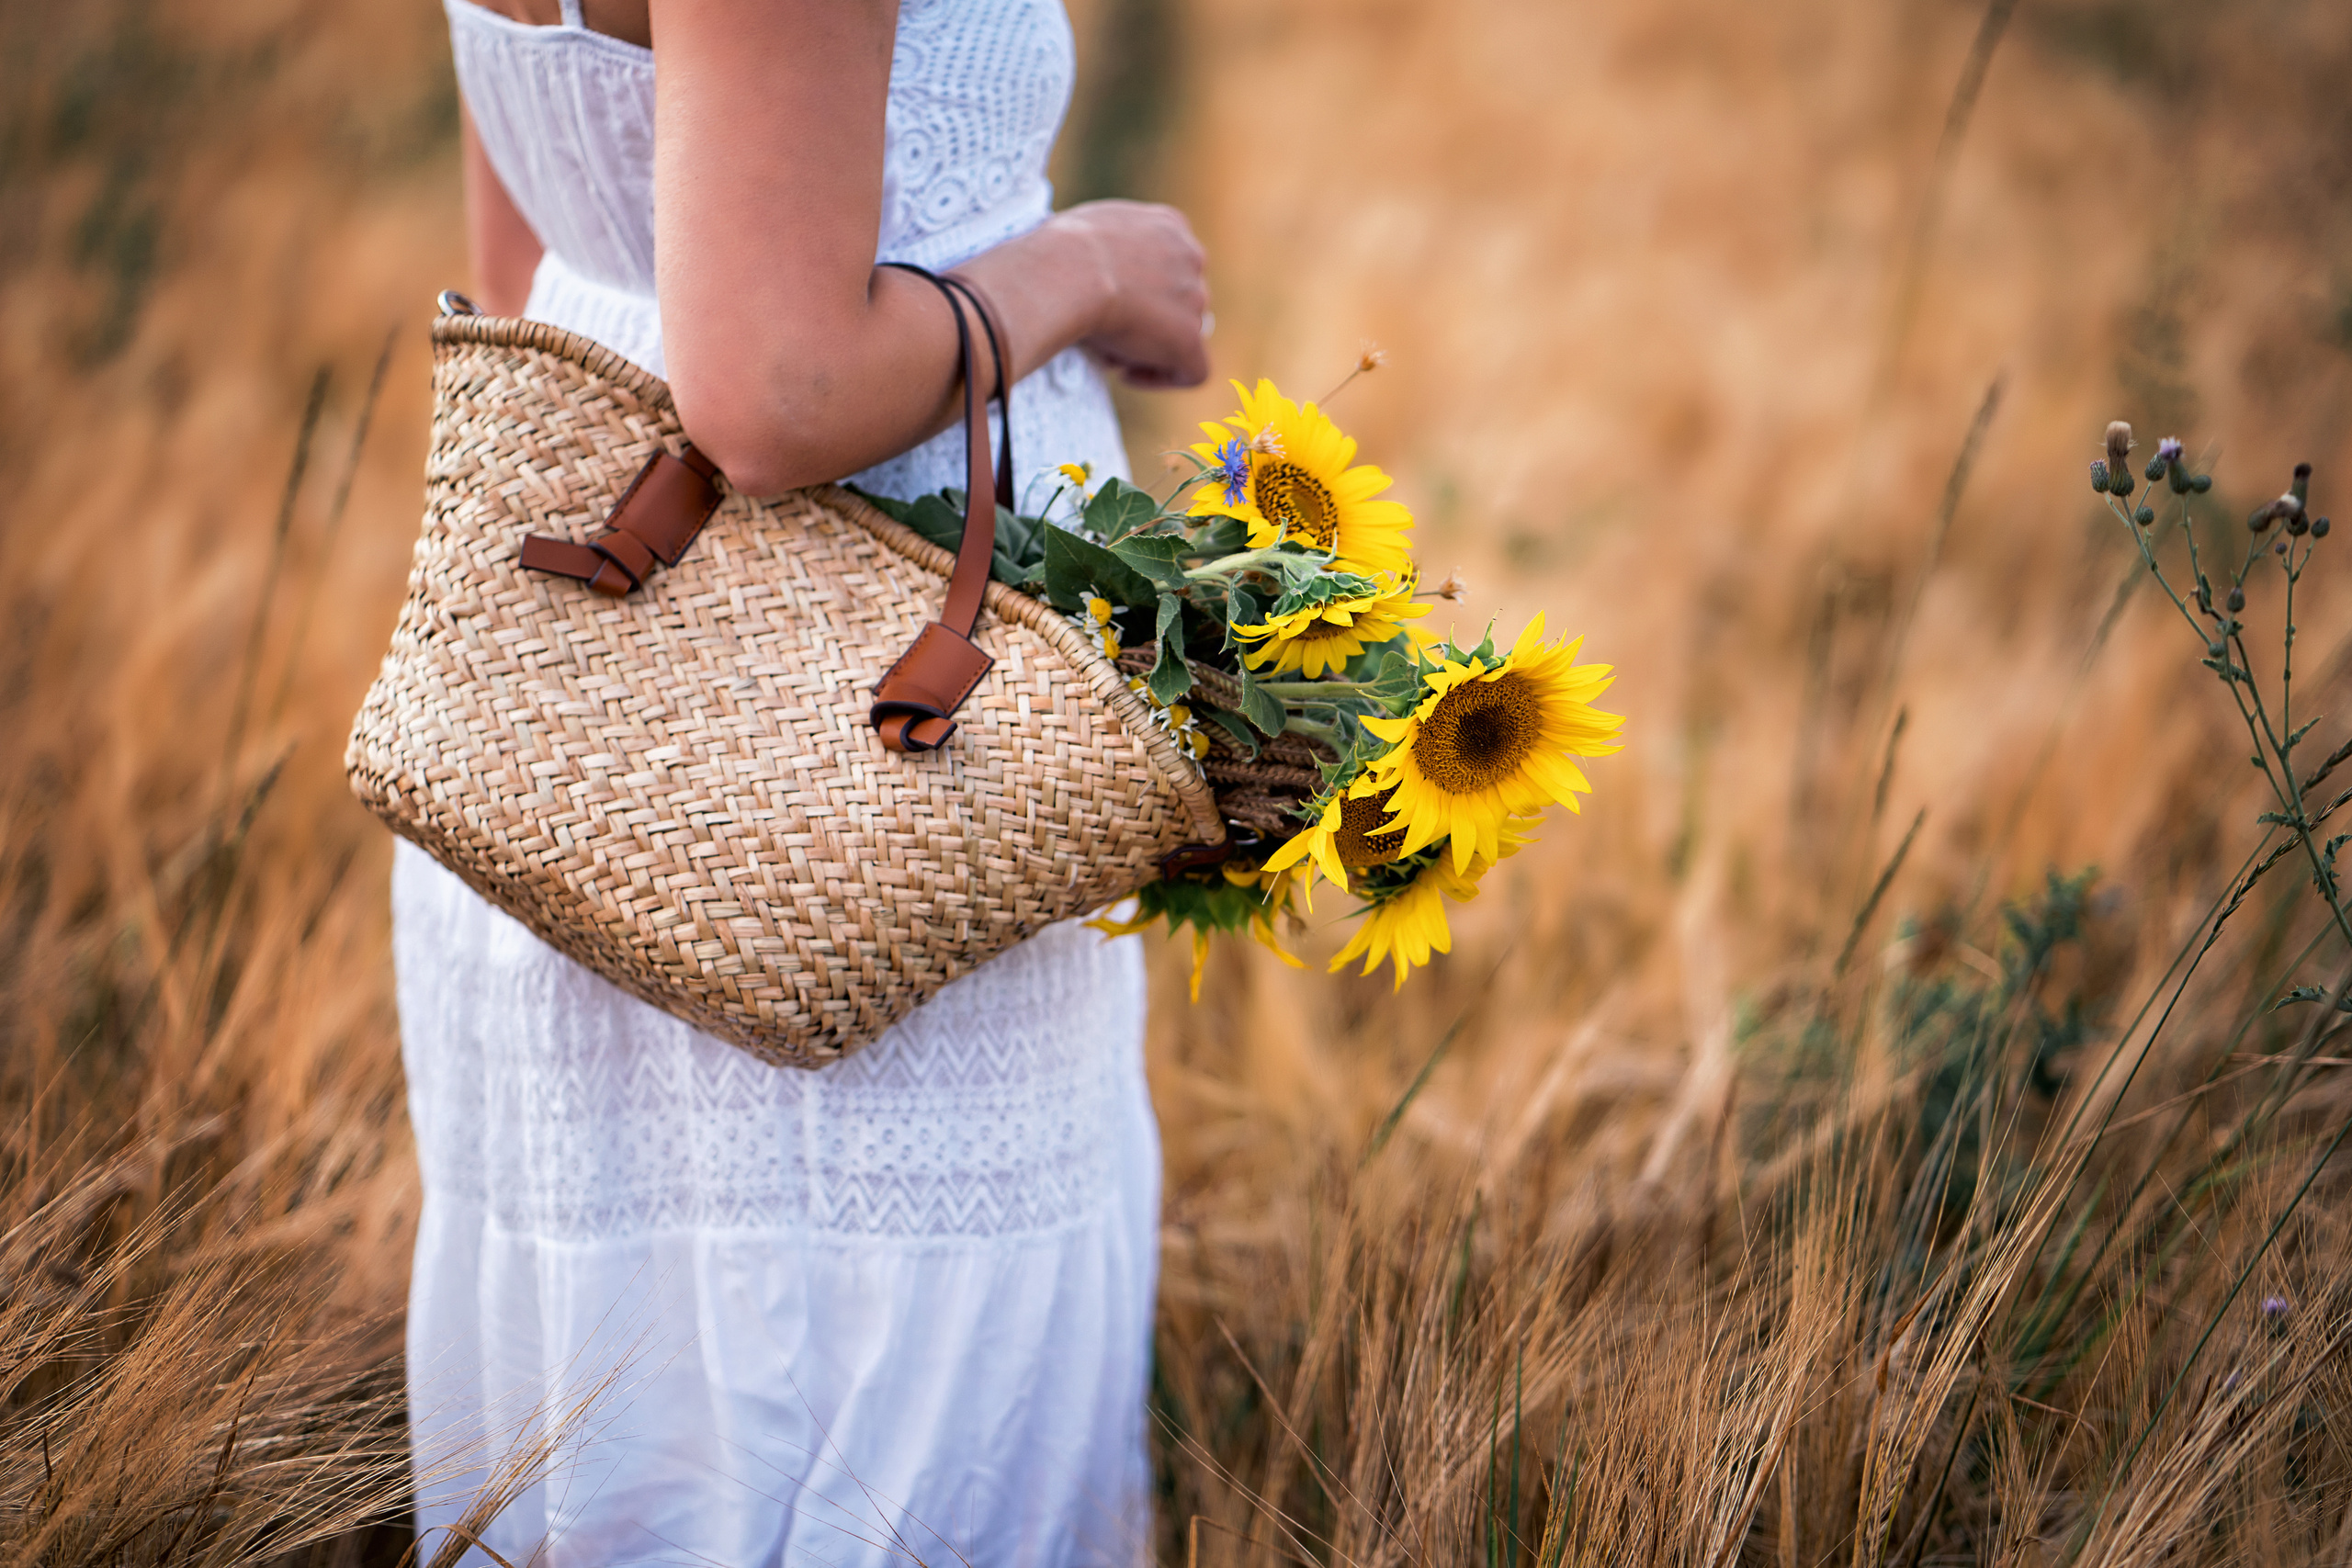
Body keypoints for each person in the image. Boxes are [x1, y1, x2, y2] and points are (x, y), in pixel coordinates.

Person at [395, 2, 1211, 1562]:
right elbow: (774, 394)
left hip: (584, 670)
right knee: (870, 1389)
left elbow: (533, 259)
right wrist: (1096, 264)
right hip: (881, 720)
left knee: (632, 1392)